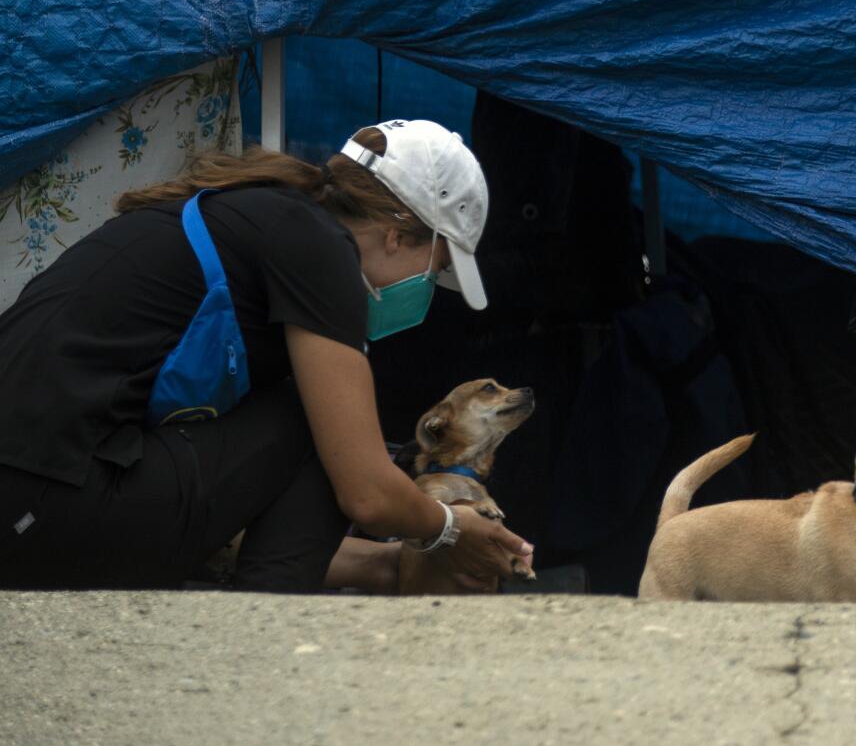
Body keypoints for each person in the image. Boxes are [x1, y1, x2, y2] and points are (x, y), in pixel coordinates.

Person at [0, 119, 535, 593]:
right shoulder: (321, 249)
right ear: (396, 235)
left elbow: (238, 517)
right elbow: (366, 493)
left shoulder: (261, 219)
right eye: (435, 267)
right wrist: (448, 527)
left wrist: (390, 561)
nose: (427, 288)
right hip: (43, 504)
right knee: (321, 423)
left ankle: (276, 614)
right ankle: (268, 640)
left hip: (32, 502)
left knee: (308, 427)